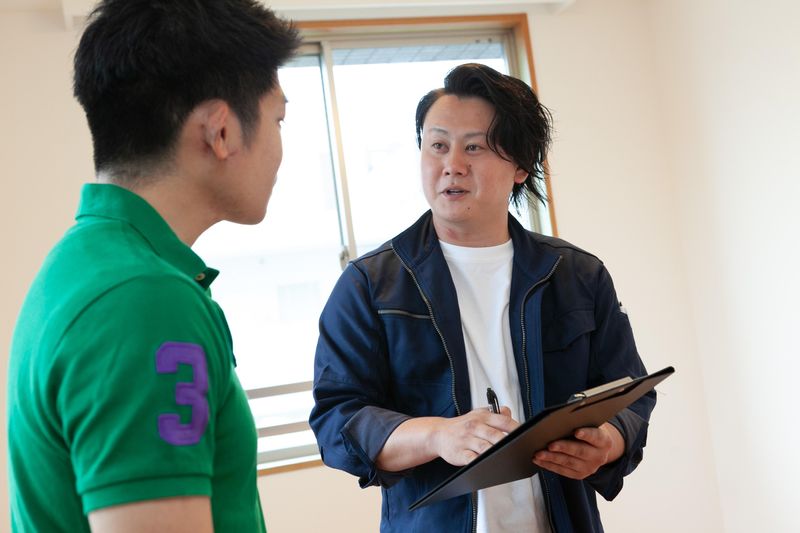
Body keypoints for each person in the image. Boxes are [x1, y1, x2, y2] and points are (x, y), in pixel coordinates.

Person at [309, 63, 656, 532]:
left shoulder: (577, 274)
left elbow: (629, 391)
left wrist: (609, 442)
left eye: (474, 147)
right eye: (437, 145)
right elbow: (337, 420)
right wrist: (437, 436)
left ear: (520, 166)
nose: (452, 164)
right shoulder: (369, 285)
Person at [6, 1, 299, 531]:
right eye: (278, 119)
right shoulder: (142, 300)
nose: (281, 149)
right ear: (220, 131)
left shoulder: (87, 264)